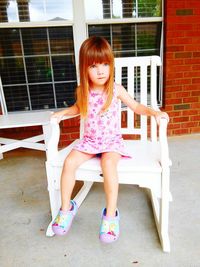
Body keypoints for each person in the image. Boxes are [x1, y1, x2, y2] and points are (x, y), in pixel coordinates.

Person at [51, 36, 169, 243]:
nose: (100, 70)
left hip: (112, 142)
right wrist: (62, 113)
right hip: (90, 141)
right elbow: (79, 109)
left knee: (108, 164)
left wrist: (154, 113)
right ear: (84, 68)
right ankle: (66, 209)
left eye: (105, 64)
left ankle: (111, 216)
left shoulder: (116, 89)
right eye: (94, 66)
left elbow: (136, 107)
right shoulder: (83, 90)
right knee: (69, 162)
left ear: (111, 65)